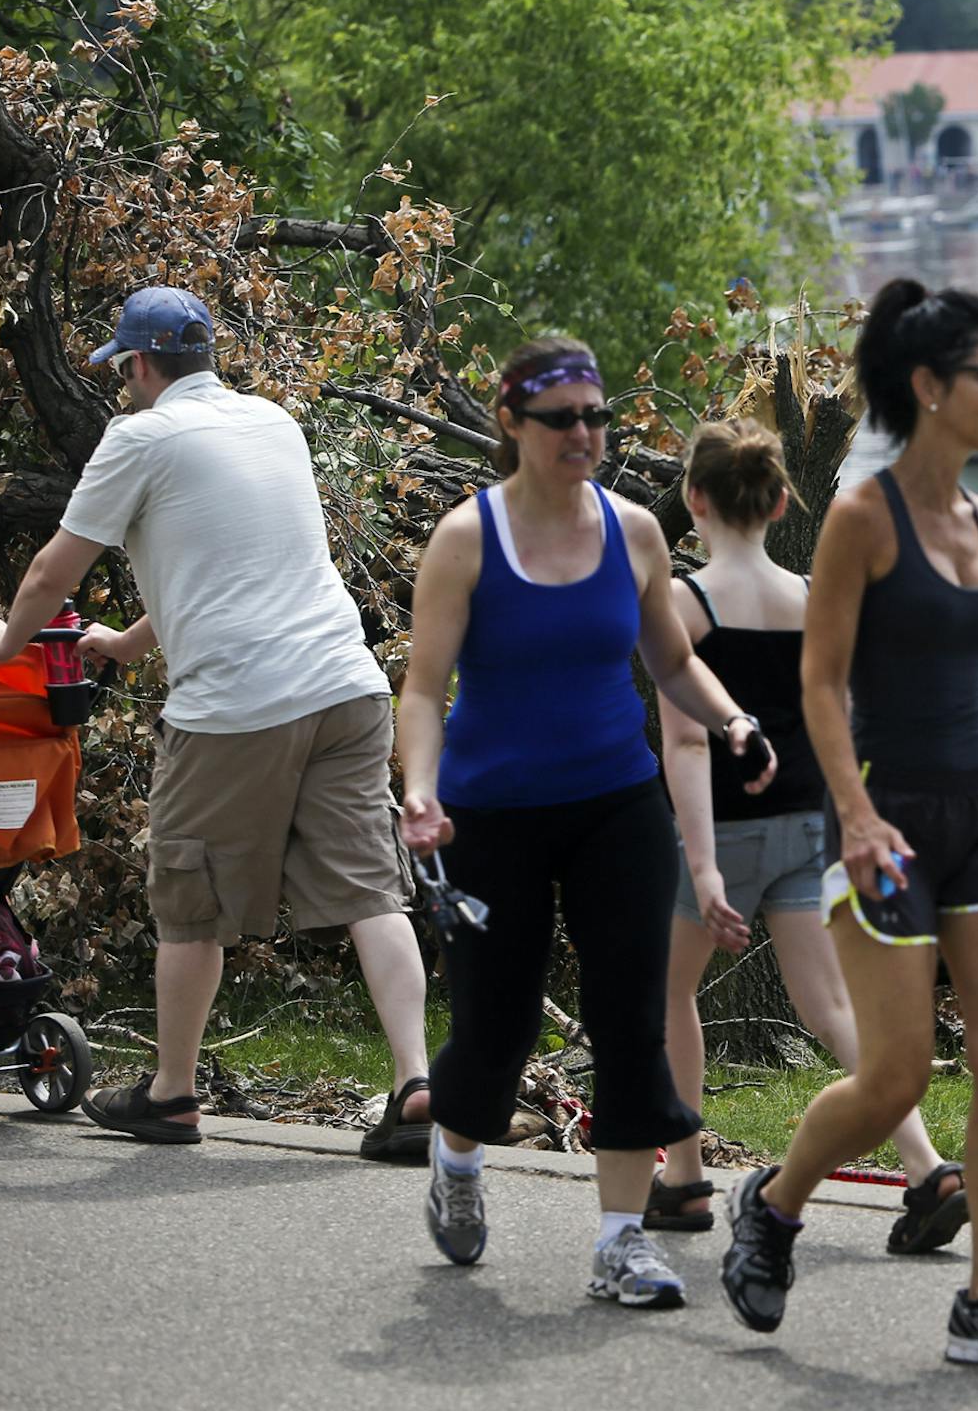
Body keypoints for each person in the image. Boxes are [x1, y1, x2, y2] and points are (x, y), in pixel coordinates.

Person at [717, 280, 978, 1372]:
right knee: (896, 1077)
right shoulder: (860, 517)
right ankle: (776, 1203)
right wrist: (857, 813)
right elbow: (822, 682)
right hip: (883, 814)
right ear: (929, 387)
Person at [0, 286, 432, 1156]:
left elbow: (47, 576)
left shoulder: (138, 437)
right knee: (371, 889)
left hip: (237, 706)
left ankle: (171, 1094)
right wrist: (133, 641)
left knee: (190, 896)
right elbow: (246, 564)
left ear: (139, 365)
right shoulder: (274, 424)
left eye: (125, 371)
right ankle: (415, 1084)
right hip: (344, 684)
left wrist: (6, 647)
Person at [396, 335, 775, 1310]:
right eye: (562, 418)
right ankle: (459, 1157)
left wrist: (733, 718)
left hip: (615, 802)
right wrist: (422, 789)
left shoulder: (637, 530)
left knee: (629, 1016)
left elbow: (672, 661)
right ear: (513, 424)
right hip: (491, 812)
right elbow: (423, 688)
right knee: (497, 1019)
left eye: (596, 415)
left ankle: (618, 1238)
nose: (584, 434)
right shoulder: (467, 540)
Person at [651, 418, 967, 1254]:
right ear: (784, 500)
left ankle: (682, 1175)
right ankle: (927, 1168)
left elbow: (686, 742)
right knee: (828, 1006)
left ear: (694, 501)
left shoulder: (687, 604)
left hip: (725, 829)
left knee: (669, 992)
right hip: (808, 825)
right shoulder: (809, 594)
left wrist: (704, 863)